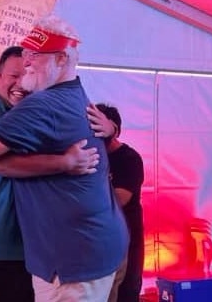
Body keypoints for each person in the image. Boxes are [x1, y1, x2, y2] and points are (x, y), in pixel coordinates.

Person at [0, 15, 128, 301]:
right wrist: (64, 162)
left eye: (35, 57)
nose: (27, 66)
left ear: (61, 60)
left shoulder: (43, 105)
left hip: (56, 256)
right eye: (14, 73)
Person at [93, 103, 145, 302]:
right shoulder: (92, 155)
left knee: (126, 291)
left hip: (127, 240)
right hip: (99, 241)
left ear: (112, 129)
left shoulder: (129, 159)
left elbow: (120, 199)